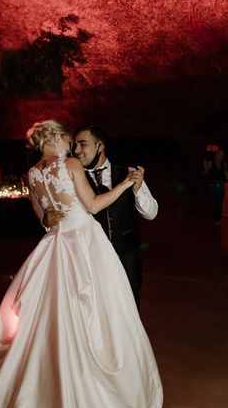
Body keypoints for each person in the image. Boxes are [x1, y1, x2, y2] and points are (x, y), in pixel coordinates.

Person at [0, 120, 163, 408]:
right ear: (55, 138)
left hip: (56, 247)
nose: (72, 147)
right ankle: (99, 397)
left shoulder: (32, 174)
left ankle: (42, 399)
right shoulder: (70, 164)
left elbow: (40, 214)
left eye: (78, 143)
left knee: (52, 320)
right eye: (68, 140)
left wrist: (49, 218)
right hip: (86, 245)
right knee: (101, 315)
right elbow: (93, 205)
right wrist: (125, 184)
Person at [47, 124, 157, 311]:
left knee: (129, 308)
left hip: (126, 256)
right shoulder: (70, 178)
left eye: (83, 144)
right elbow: (61, 217)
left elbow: (151, 213)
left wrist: (137, 191)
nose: (77, 151)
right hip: (90, 259)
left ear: (100, 146)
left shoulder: (128, 173)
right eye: (75, 145)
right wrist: (47, 219)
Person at [202, 148, 228, 225]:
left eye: (223, 155)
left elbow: (226, 174)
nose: (221, 157)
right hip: (212, 186)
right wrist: (206, 168)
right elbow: (206, 174)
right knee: (213, 203)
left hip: (220, 186)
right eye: (220, 155)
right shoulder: (211, 162)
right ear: (216, 154)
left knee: (219, 203)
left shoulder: (223, 164)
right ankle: (213, 219)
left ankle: (217, 220)